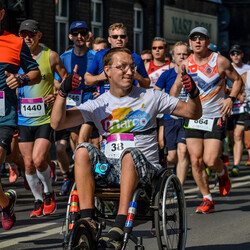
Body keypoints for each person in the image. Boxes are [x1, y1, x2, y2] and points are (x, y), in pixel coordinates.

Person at [51, 47, 202, 249]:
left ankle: (119, 226)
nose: (130, 72)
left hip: (146, 169)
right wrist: (63, 92)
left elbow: (193, 113)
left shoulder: (151, 97)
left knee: (129, 155)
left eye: (131, 67)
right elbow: (57, 123)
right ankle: (88, 221)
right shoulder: (99, 104)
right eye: (122, 67)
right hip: (110, 170)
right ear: (107, 71)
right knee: (82, 149)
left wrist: (193, 92)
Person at [171, 27, 243, 214]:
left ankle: (221, 172)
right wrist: (172, 106)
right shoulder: (185, 63)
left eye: (201, 38)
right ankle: (207, 198)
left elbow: (237, 81)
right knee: (195, 160)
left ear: (207, 41)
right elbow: (175, 88)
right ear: (190, 42)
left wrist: (230, 98)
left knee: (210, 160)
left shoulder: (219, 61)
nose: (197, 42)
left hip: (214, 116)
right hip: (194, 117)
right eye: (193, 39)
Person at [17, 19, 68, 217]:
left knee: (39, 160)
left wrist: (57, 96)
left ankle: (49, 192)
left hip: (44, 118)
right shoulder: (15, 57)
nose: (27, 38)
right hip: (22, 118)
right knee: (28, 163)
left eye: (31, 34)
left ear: (39, 35)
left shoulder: (51, 56)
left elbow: (65, 79)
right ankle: (38, 200)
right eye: (23, 34)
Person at [0, 1, 41, 230]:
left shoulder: (15, 43)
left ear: (1, 14)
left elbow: (35, 73)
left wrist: (21, 79)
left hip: (3, 115)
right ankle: (6, 203)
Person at [54, 21, 96, 196]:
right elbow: (56, 81)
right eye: (75, 33)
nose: (79, 36)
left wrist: (98, 92)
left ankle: (84, 181)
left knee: (82, 144)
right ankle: (68, 176)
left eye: (83, 33)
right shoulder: (64, 57)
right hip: (69, 105)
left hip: (87, 105)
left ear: (87, 36)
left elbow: (100, 80)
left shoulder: (95, 56)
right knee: (60, 148)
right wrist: (62, 88)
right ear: (70, 36)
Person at [155, 41, 190, 185]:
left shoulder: (194, 74)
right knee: (171, 157)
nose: (181, 57)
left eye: (185, 54)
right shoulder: (166, 75)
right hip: (170, 118)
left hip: (188, 118)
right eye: (179, 54)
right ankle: (171, 178)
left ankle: (179, 188)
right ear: (173, 56)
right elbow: (156, 94)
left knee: (183, 151)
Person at [84, 22, 150, 95]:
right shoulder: (100, 55)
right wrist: (100, 77)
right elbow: (87, 80)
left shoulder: (136, 58)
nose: (119, 39)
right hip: (106, 102)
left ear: (127, 39)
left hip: (127, 101)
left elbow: (147, 85)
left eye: (122, 36)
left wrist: (139, 77)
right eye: (115, 37)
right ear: (109, 39)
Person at [227, 45, 250, 175]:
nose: (235, 55)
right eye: (233, 53)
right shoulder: (226, 66)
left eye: (238, 53)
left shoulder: (247, 69)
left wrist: (242, 96)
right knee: (230, 135)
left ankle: (236, 165)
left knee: (237, 135)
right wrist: (235, 94)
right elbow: (222, 86)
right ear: (230, 55)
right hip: (228, 106)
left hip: (243, 107)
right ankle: (230, 149)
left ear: (242, 54)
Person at [240, 71, 250, 165]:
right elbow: (238, 90)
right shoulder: (245, 75)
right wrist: (240, 96)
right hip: (248, 112)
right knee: (247, 143)